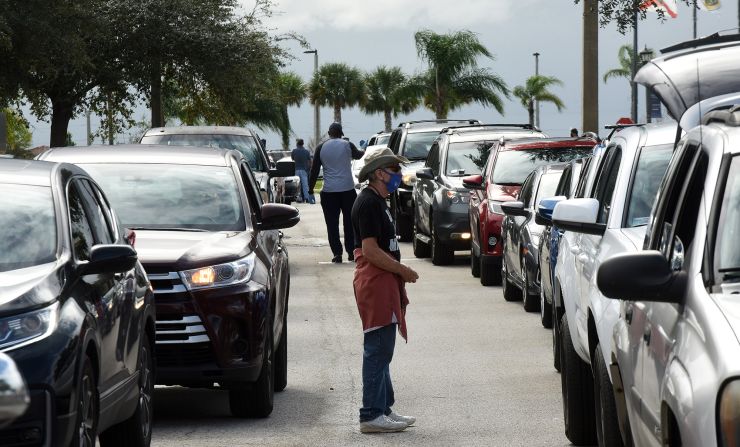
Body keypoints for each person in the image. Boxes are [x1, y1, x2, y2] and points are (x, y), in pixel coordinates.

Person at [351, 148, 419, 433]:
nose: (398, 176)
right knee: (377, 349)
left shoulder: (379, 201)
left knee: (383, 349)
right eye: (393, 170)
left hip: (384, 282)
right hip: (375, 283)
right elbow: (369, 250)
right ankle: (371, 414)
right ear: (379, 173)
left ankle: (384, 409)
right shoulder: (368, 203)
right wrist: (402, 270)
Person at [309, 122, 364, 263]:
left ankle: (337, 254)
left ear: (329, 133)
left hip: (329, 192)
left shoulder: (321, 148)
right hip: (347, 191)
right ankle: (352, 252)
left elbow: (314, 170)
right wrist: (366, 150)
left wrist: (310, 189)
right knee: (349, 223)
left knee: (332, 224)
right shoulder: (347, 145)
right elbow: (358, 155)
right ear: (341, 134)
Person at [291, 138, 315, 204]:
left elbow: (292, 159)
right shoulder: (306, 151)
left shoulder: (294, 151)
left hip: (296, 170)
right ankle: (307, 198)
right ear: (303, 144)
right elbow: (310, 161)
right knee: (305, 185)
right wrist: (309, 168)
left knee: (298, 186)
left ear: (297, 144)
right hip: (304, 170)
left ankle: (299, 198)